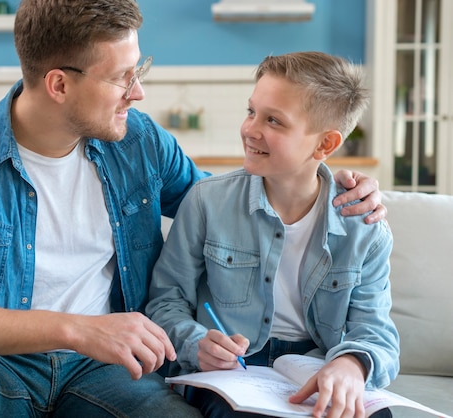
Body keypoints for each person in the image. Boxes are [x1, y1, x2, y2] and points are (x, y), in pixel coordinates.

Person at [0, 0, 386, 415]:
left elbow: (228, 207)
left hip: (109, 376)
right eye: (123, 77)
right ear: (59, 84)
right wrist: (77, 330)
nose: (138, 91)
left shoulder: (137, 141)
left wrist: (329, 188)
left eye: (138, 69)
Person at [146, 51, 400, 418]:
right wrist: (196, 342)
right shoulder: (206, 201)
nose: (250, 129)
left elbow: (376, 331)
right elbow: (165, 301)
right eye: (251, 112)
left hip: (314, 366)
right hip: (233, 372)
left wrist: (353, 365)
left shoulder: (364, 226)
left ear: (325, 145)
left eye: (274, 121)